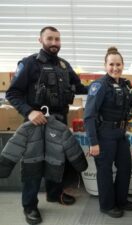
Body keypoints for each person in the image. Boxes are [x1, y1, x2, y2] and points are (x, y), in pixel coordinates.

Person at [5, 26, 88, 225]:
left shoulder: (64, 65)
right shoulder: (29, 64)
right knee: (33, 165)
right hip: (36, 122)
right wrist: (30, 112)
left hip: (59, 122)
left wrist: (103, 84)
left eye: (57, 39)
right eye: (50, 38)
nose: (54, 43)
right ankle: (30, 206)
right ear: (40, 40)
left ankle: (54, 194)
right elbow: (12, 94)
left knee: (56, 161)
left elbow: (80, 88)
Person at [84, 46, 132, 218]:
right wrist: (93, 142)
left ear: (123, 65)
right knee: (104, 171)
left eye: (118, 64)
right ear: (105, 65)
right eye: (111, 64)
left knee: (125, 167)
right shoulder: (99, 86)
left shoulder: (124, 84)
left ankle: (121, 200)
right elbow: (89, 115)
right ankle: (107, 205)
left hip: (120, 134)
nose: (115, 68)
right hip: (104, 135)